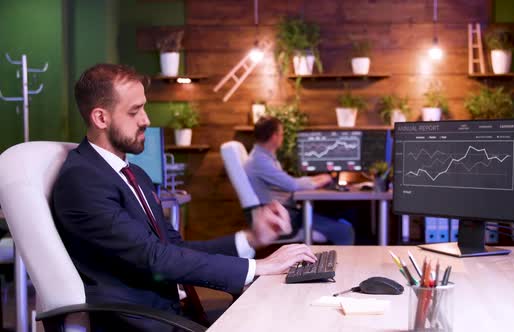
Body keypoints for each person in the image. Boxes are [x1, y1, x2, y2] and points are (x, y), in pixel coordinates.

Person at [51, 64, 316, 331]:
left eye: (144, 108)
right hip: (139, 323)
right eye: (134, 111)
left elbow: (174, 249)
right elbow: (155, 258)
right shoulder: (82, 180)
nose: (146, 120)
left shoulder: (135, 174)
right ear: (101, 118)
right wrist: (258, 267)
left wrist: (251, 238)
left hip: (172, 315)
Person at [244, 116, 355, 245]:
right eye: (282, 134)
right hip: (284, 217)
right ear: (274, 136)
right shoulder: (260, 161)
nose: (282, 137)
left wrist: (316, 179)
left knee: (340, 216)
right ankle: (342, 265)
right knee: (345, 230)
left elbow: (288, 181)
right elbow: (292, 185)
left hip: (285, 212)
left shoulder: (262, 157)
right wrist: (320, 180)